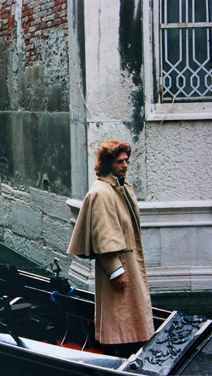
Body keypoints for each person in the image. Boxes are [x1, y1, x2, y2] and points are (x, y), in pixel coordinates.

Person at [67, 140, 154, 357]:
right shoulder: (102, 192)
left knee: (129, 314)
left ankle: (131, 350)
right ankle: (120, 354)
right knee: (120, 315)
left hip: (128, 264)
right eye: (119, 161)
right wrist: (115, 270)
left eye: (126, 160)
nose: (125, 165)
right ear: (108, 164)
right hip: (119, 268)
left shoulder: (118, 187)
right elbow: (103, 236)